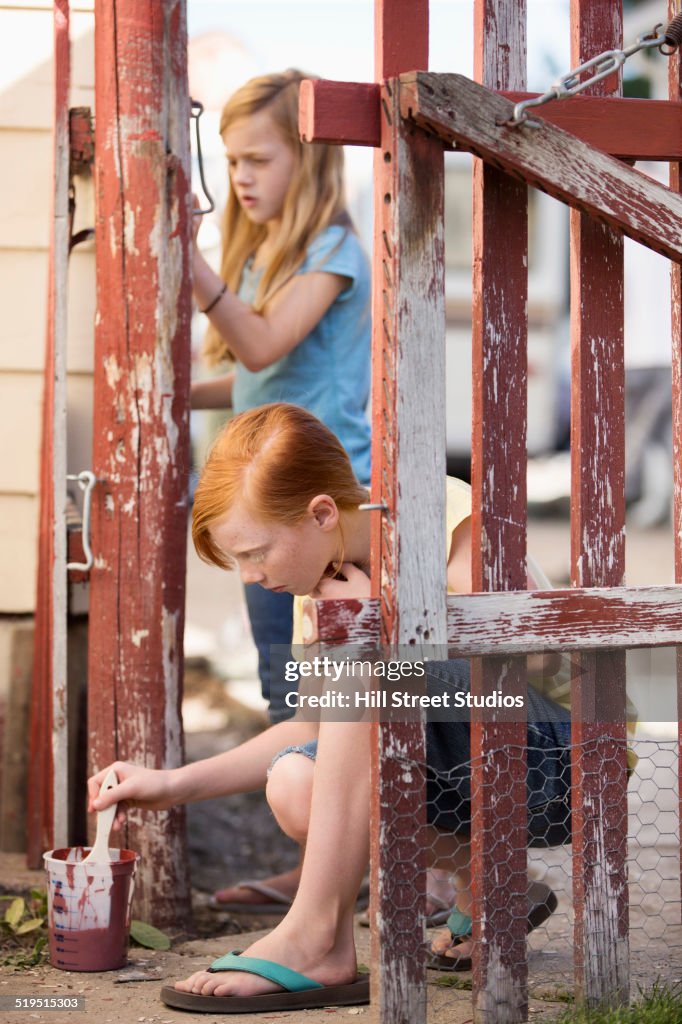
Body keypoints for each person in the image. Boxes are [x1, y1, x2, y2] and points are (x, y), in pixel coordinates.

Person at [89, 403, 574, 1013]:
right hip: (457, 771)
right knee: (295, 780)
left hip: (554, 759)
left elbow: (533, 659)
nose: (248, 575)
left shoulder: (443, 517)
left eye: (255, 552)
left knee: (362, 663)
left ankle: (317, 938)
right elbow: (312, 726)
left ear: (321, 513)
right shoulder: (323, 580)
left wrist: (383, 632)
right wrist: (172, 784)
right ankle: (491, 878)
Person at [189, 69, 371, 912]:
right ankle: (319, 868)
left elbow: (261, 348)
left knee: (332, 703)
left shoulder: (332, 247)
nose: (241, 179)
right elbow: (245, 382)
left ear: (308, 156)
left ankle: (346, 877)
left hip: (320, 507)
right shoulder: (266, 254)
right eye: (230, 163)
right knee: (285, 690)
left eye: (257, 158)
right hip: (268, 512)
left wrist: (192, 268)